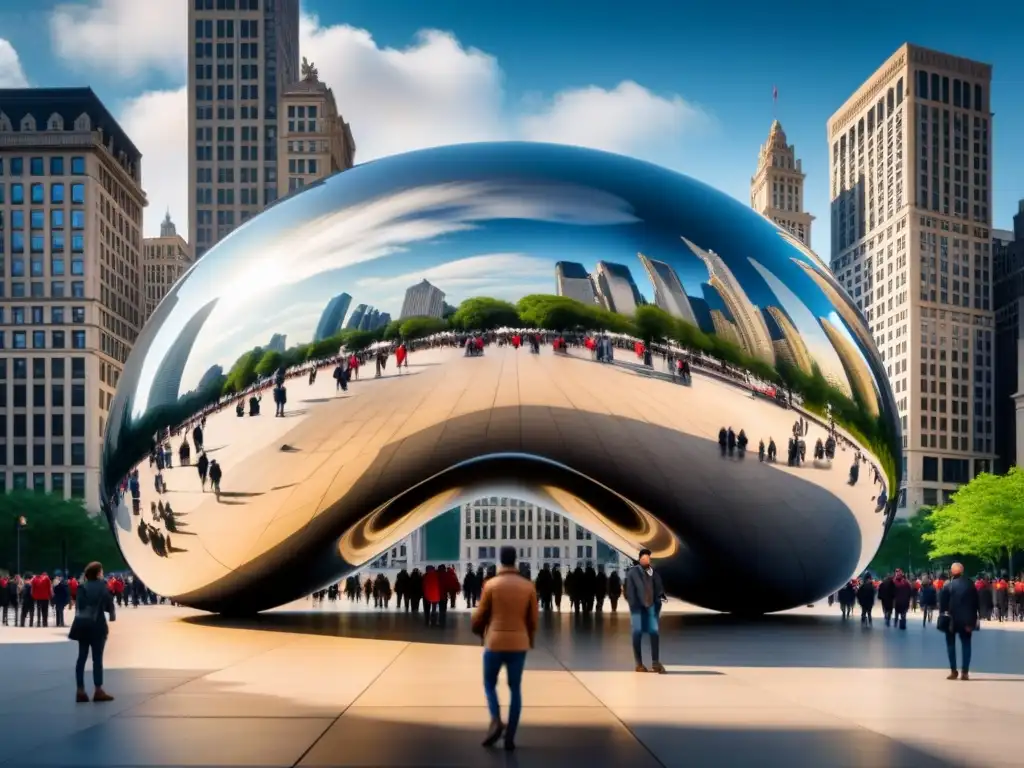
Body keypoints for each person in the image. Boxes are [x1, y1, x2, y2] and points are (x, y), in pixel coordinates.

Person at [471, 545, 538, 753]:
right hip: (519, 643)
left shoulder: (491, 585)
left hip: (495, 642)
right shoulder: (528, 587)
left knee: (489, 683)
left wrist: (478, 629)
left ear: (500, 560)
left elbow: (480, 615)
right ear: (515, 559)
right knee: (515, 688)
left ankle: (496, 719)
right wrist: (529, 639)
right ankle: (511, 736)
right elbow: (533, 620)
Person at [71, 561, 116, 703]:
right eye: (101, 572)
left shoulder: (81, 587)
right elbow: (109, 605)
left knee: (81, 657)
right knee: (97, 658)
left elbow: (79, 605)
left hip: (82, 625)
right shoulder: (102, 586)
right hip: (97, 626)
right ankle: (98, 690)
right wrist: (112, 615)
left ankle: (80, 690)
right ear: (98, 574)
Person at [625, 548, 666, 673]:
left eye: (648, 558)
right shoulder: (633, 572)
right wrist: (633, 606)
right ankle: (639, 664)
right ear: (639, 559)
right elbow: (629, 591)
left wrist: (658, 603)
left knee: (654, 633)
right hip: (637, 608)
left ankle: (655, 662)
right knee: (637, 633)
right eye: (643, 558)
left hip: (651, 608)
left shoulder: (654, 573)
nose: (646, 560)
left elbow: (659, 589)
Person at [939, 562, 980, 681]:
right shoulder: (970, 584)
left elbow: (942, 604)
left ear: (952, 572)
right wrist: (975, 618)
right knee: (966, 645)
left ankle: (953, 671)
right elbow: (976, 603)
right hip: (967, 620)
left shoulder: (948, 586)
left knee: (951, 645)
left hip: (951, 620)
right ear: (962, 571)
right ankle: (965, 672)